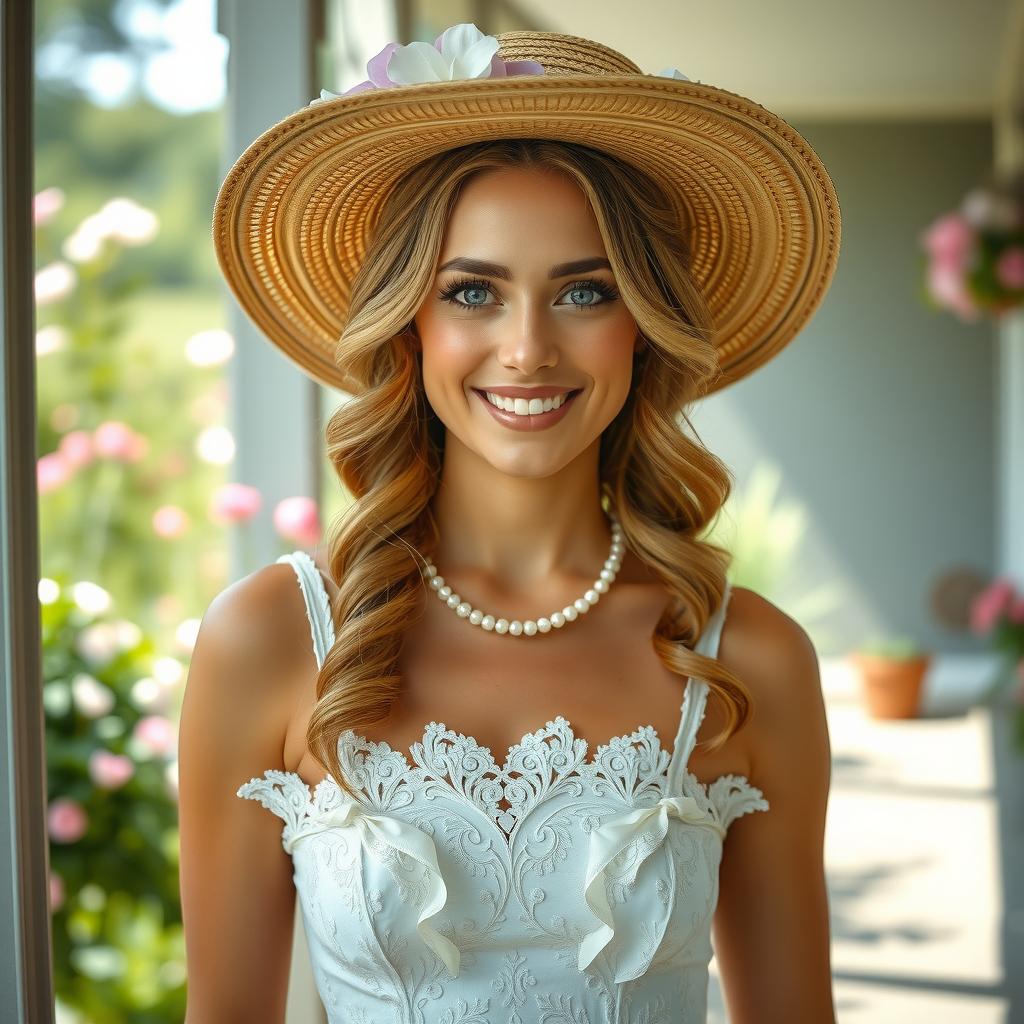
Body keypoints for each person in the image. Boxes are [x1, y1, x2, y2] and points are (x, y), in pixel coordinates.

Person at [177, 24, 840, 1024]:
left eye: (584, 290)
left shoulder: (748, 660)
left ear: (643, 324)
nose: (526, 348)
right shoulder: (267, 638)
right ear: (412, 322)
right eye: (472, 291)